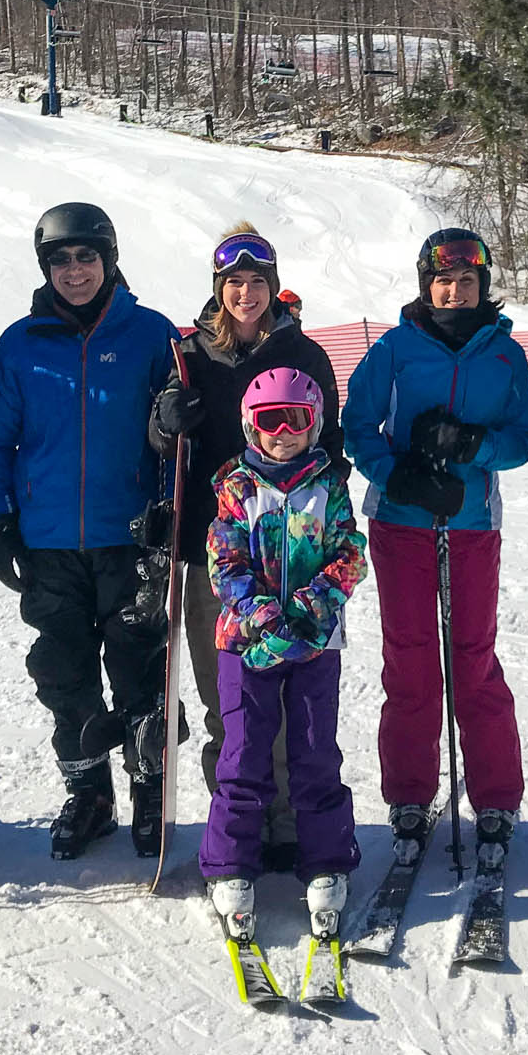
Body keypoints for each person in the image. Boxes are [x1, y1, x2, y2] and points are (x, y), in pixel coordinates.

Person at [0, 202, 179, 859]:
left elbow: (178, 438)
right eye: (59, 260)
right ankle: (88, 791)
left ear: (109, 260)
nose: (73, 271)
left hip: (131, 536)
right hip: (50, 539)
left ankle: (149, 788)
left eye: (85, 257)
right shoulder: (21, 343)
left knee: (137, 664)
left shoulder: (150, 335)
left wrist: (170, 509)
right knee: (63, 670)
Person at [147, 225, 345, 873]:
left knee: (290, 702)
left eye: (257, 282)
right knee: (228, 699)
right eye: (233, 283)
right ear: (218, 288)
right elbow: (156, 440)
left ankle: (284, 820)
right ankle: (238, 816)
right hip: (216, 554)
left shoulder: (304, 354)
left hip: (290, 554)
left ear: (272, 286)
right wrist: (167, 420)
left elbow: (332, 451)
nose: (246, 294)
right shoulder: (190, 356)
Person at [344, 228, 528, 871]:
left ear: (483, 285)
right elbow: (355, 426)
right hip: (402, 523)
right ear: (426, 283)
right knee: (410, 658)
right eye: (442, 281)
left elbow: (521, 441)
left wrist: (470, 445)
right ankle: (408, 795)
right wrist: (396, 476)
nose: (454, 292)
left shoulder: (504, 356)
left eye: (467, 281)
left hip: (473, 522)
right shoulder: (395, 349)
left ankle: (496, 797)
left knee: (473, 656)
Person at [200, 367, 368, 932]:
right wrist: (261, 612)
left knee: (315, 749)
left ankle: (325, 859)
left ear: (314, 424)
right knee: (244, 749)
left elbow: (350, 551)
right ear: (251, 426)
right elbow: (224, 560)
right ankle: (230, 863)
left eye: (294, 420)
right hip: (246, 646)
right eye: (269, 421)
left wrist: (313, 603)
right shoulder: (235, 486)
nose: (282, 433)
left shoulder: (328, 484)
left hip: (315, 644)